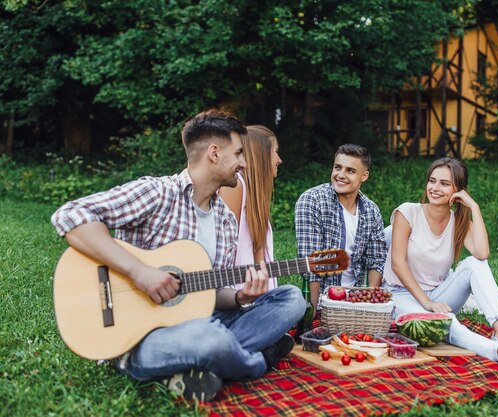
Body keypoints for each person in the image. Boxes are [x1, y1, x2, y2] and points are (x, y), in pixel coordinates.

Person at [51, 109, 306, 402]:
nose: (244, 163)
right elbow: (70, 215)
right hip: (142, 336)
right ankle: (256, 362)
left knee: (290, 299)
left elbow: (213, 292)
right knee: (208, 337)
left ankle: (197, 364)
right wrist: (139, 272)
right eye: (238, 153)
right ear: (214, 153)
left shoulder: (224, 219)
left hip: (203, 321)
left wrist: (240, 298)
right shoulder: (158, 193)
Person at [383, 157, 498, 374]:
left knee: (474, 264)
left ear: (458, 190)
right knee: (446, 321)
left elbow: (482, 253)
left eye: (444, 183)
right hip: (401, 295)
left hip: (438, 295)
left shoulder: (458, 221)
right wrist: (427, 303)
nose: (435, 188)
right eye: (432, 181)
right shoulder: (408, 212)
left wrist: (474, 207)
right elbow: (397, 263)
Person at [295, 144, 387, 310]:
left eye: (350, 171)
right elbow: (311, 265)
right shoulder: (312, 200)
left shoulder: (371, 210)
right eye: (338, 167)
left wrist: (371, 305)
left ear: (364, 176)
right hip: (323, 300)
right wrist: (313, 313)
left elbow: (376, 261)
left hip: (355, 301)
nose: (341, 175)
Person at [219, 125, 282, 290]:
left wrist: (265, 293)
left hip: (254, 289)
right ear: (261, 155)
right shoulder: (235, 186)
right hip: (232, 291)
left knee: (292, 297)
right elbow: (225, 247)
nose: (279, 160)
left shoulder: (256, 195)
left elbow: (258, 250)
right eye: (276, 151)